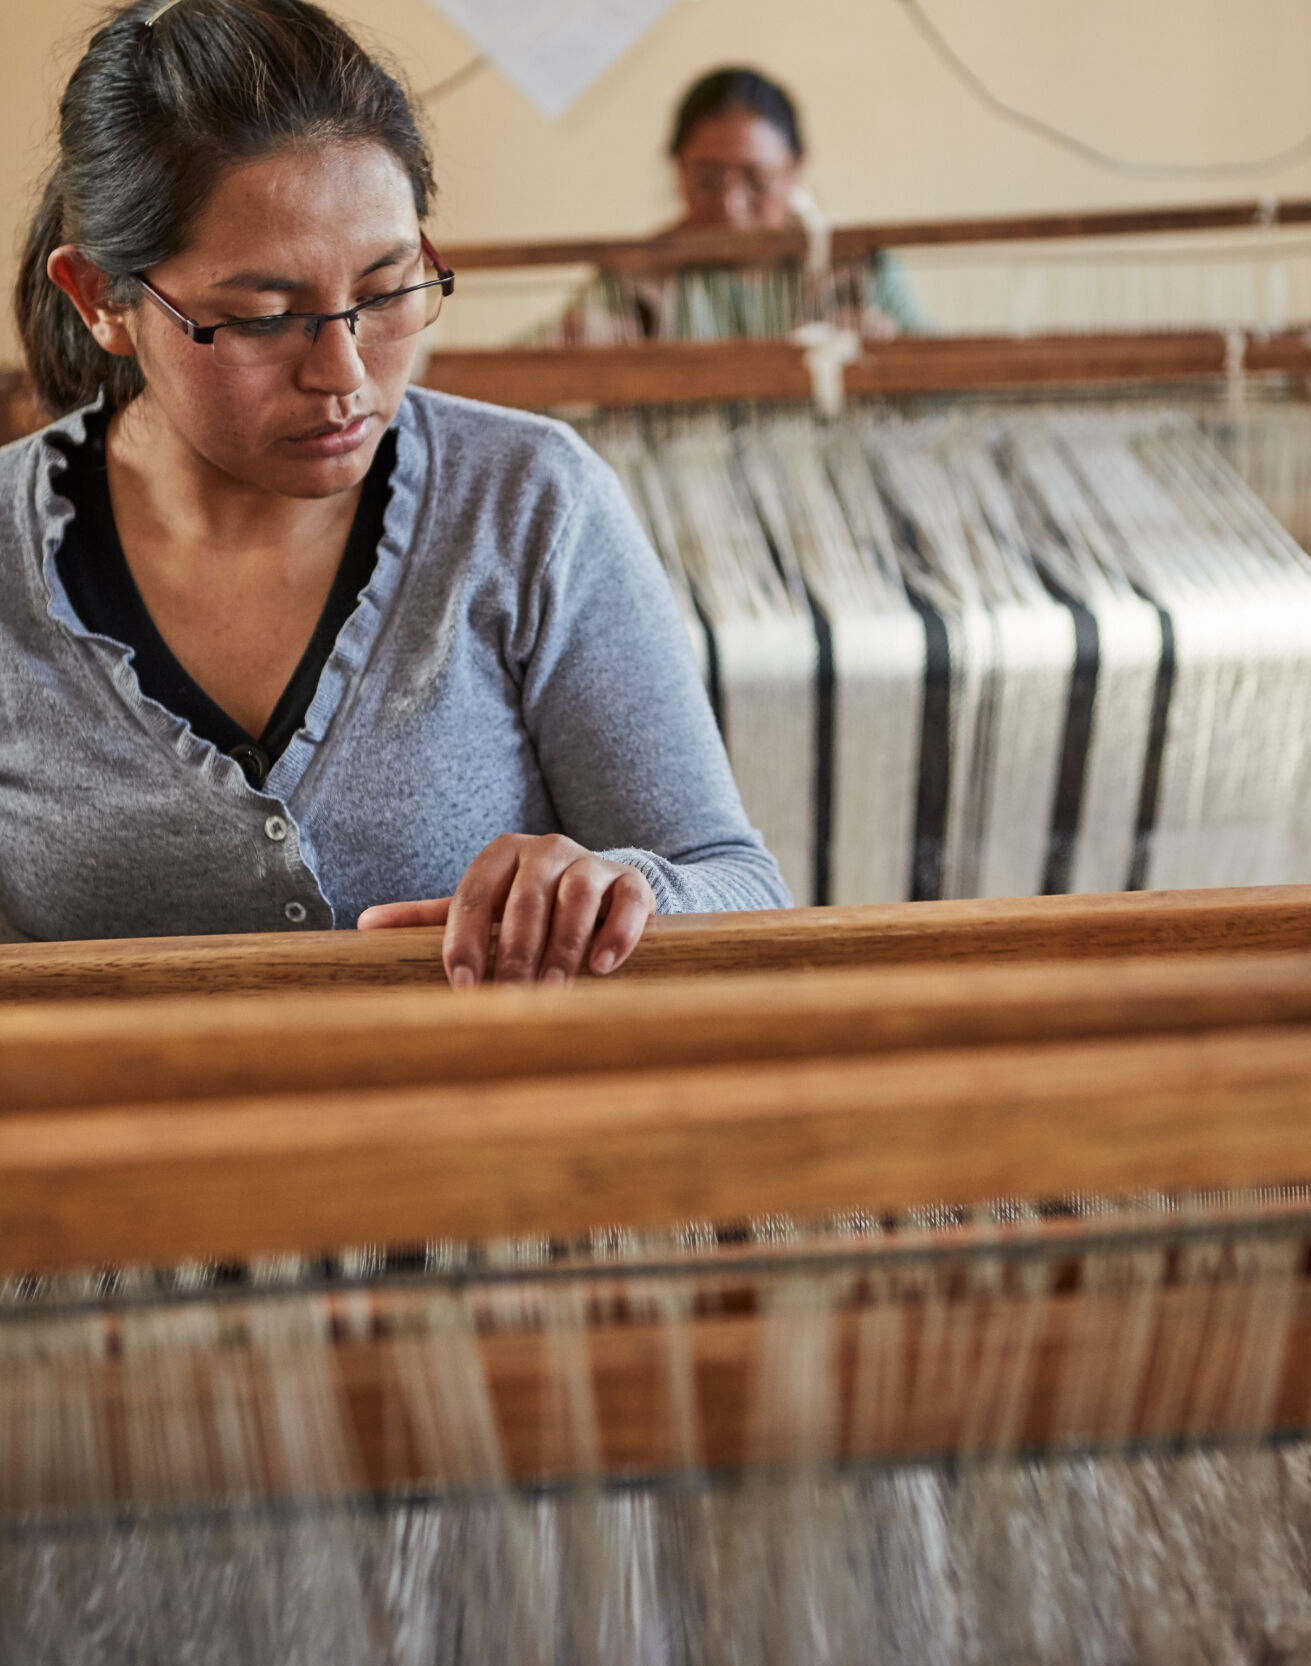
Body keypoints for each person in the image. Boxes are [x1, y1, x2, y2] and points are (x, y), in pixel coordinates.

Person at [3, 0, 789, 984]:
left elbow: (737, 883)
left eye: (386, 289)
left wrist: (619, 890)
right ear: (99, 301)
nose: (344, 375)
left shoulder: (531, 507)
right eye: (260, 317)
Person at [553, 67, 930, 344]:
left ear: (796, 169)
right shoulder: (633, 279)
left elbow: (951, 387)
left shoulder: (859, 271)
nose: (730, 204)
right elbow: (518, 380)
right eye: (707, 180)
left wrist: (891, 353)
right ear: (678, 170)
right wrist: (570, 343)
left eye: (756, 179)